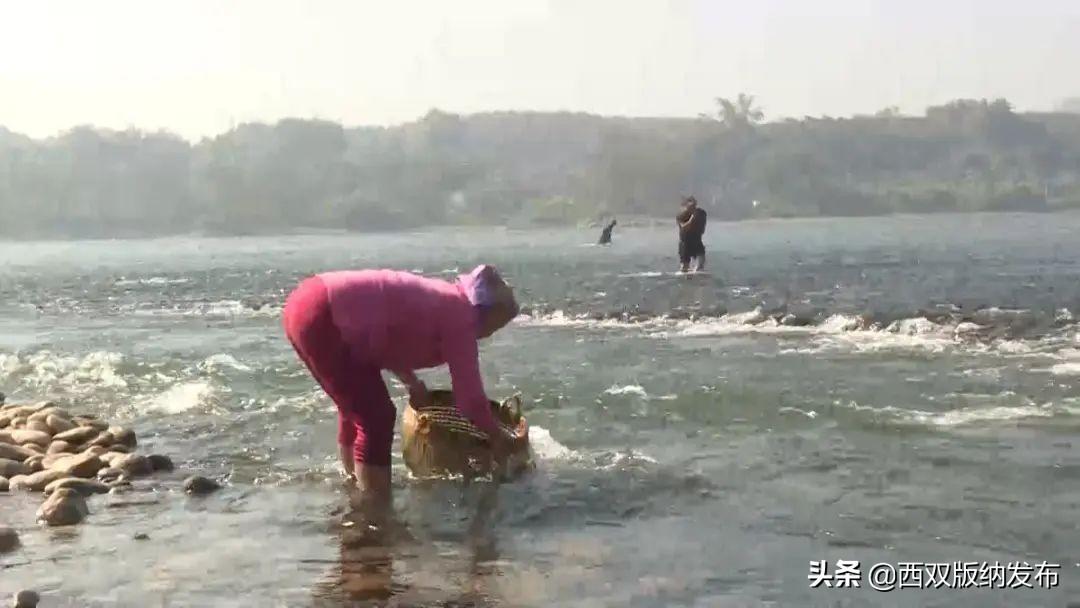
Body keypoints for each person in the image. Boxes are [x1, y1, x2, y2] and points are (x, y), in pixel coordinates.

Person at [281, 264, 528, 513]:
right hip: (323, 314)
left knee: (355, 406)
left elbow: (390, 340)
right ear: (488, 311)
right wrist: (498, 438)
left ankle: (354, 482)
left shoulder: (448, 301)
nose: (492, 334)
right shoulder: (461, 318)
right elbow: (471, 401)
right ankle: (374, 508)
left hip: (308, 301)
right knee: (377, 417)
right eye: (497, 326)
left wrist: (413, 383)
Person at [676, 196, 707, 272]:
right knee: (684, 266)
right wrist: (692, 218)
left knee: (701, 262)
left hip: (697, 240)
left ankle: (698, 272)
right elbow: (684, 228)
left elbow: (703, 227)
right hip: (685, 242)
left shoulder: (701, 213)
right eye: (690, 206)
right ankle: (684, 273)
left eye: (694, 206)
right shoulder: (681, 215)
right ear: (686, 206)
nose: (692, 208)